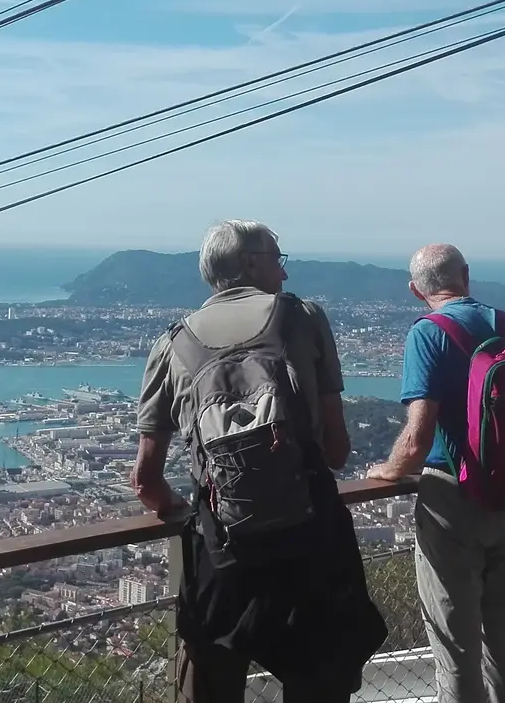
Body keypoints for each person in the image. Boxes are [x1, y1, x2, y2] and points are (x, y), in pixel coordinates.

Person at [133, 220, 384, 703]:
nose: (285, 274)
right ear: (249, 262)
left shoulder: (172, 344)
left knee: (213, 681)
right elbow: (336, 450)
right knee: (319, 682)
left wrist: (192, 511)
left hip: (223, 554)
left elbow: (147, 480)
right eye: (277, 258)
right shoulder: (303, 318)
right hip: (310, 546)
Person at [367, 243, 505, 703]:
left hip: (453, 499)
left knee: (456, 647)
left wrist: (387, 469)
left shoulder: (428, 333)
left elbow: (418, 437)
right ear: (465, 274)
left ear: (415, 290)